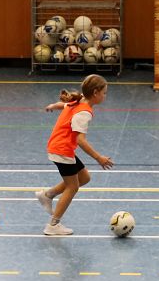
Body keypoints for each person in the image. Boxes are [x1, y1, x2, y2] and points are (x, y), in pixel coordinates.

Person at [35, 74, 114, 236]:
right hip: (62, 150)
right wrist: (99, 158)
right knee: (73, 186)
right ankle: (53, 225)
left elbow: (62, 105)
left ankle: (47, 195)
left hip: (61, 147)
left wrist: (52, 106)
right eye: (104, 93)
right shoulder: (84, 112)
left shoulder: (79, 101)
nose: (105, 96)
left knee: (84, 177)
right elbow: (80, 140)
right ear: (95, 93)